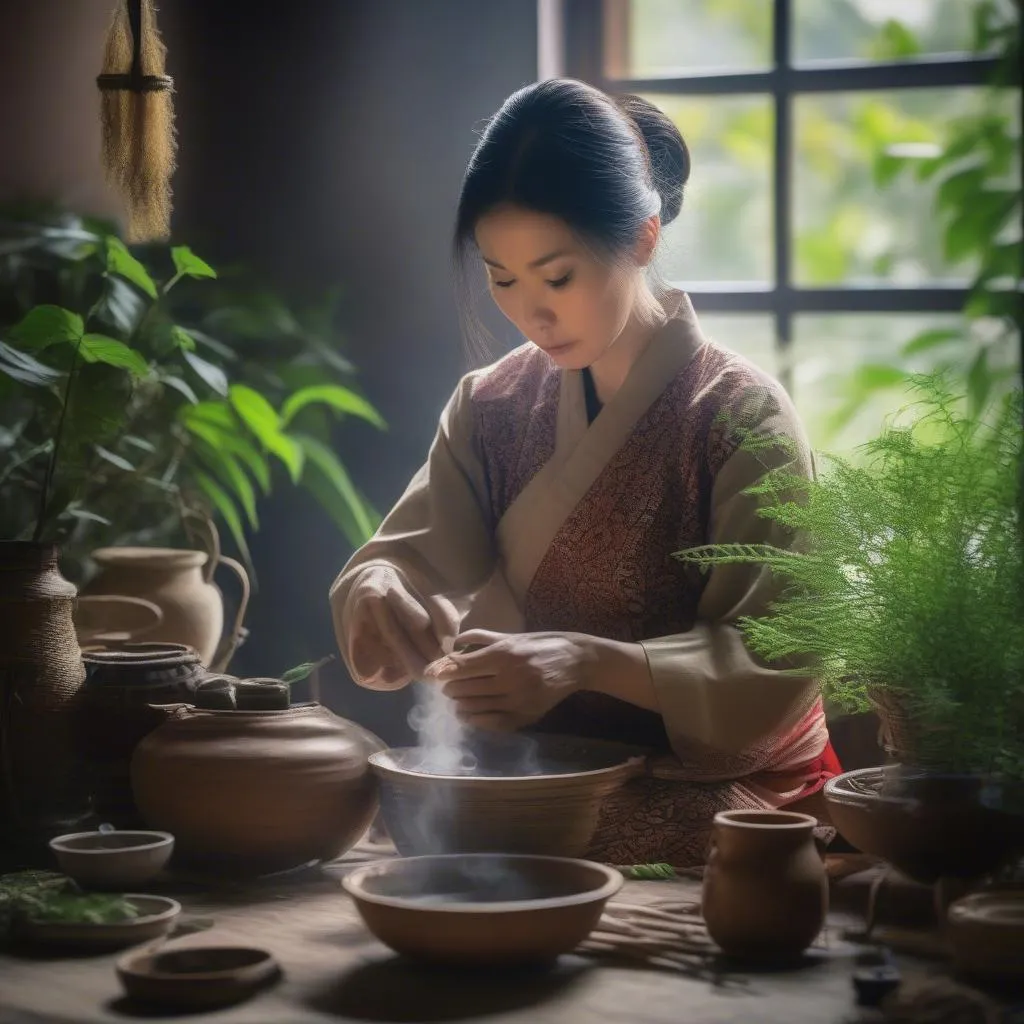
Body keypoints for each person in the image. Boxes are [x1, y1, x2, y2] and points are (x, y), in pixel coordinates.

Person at [330, 78, 840, 867]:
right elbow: (412, 556)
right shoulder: (492, 404)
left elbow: (773, 657)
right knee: (424, 810)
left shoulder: (739, 415)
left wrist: (588, 661)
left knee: (605, 840)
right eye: (503, 279)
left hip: (713, 783)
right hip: (545, 770)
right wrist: (380, 593)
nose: (531, 314)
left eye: (556, 277)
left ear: (640, 237)